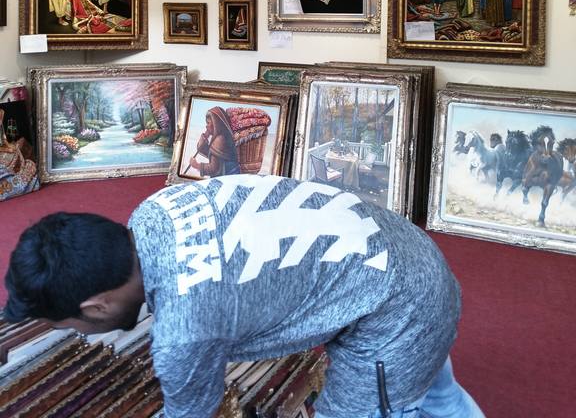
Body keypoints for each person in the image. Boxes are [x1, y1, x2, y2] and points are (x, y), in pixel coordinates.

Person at [4, 175, 485, 418]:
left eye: (69, 325)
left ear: (97, 305)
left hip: (401, 309)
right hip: (402, 246)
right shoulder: (154, 208)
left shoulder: (184, 333)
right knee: (436, 391)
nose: (81, 334)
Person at [185, 107, 241, 177]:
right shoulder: (221, 137)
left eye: (208, 123)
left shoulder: (220, 139)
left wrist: (197, 165)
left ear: (216, 124)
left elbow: (214, 168)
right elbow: (209, 153)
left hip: (228, 176)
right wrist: (204, 137)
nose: (206, 126)